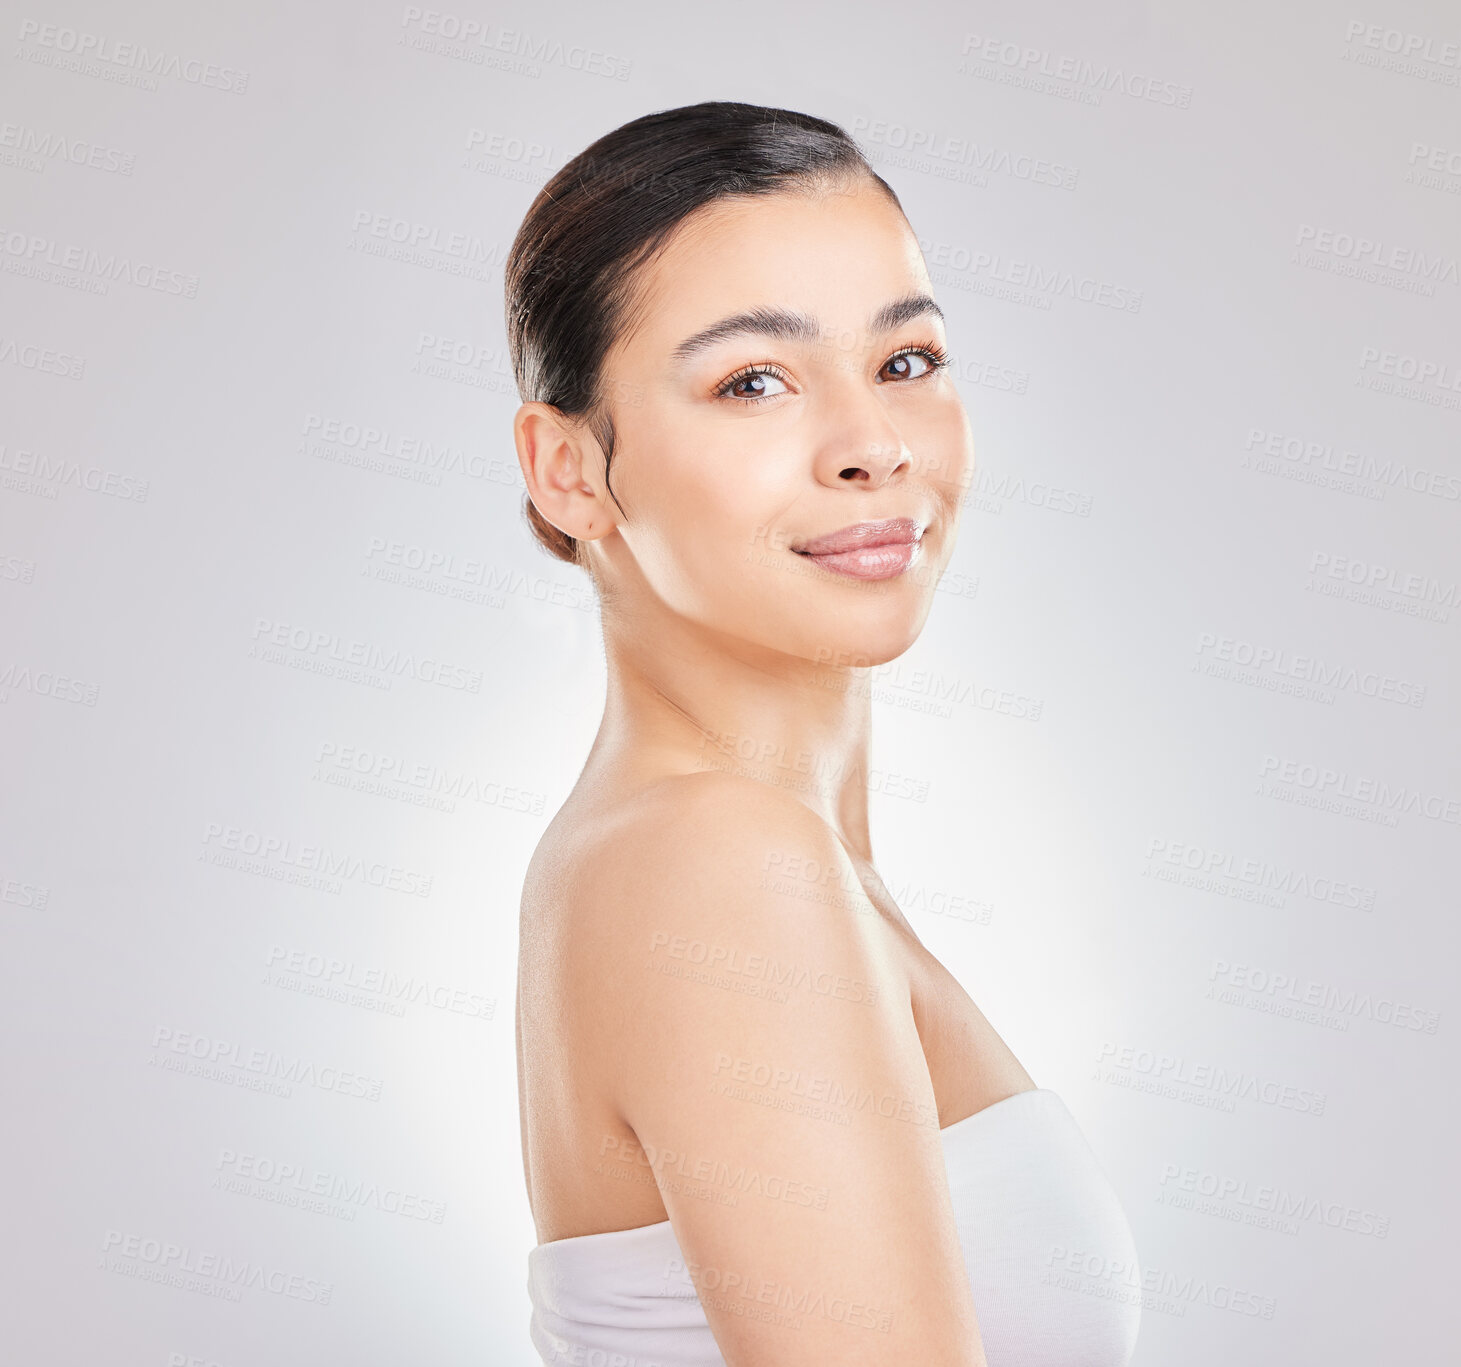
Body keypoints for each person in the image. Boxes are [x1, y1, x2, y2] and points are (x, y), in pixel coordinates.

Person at [508, 99, 1141, 1367]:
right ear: (570, 468)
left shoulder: (713, 849)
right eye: (754, 380)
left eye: (907, 360)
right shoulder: (716, 860)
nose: (873, 446)